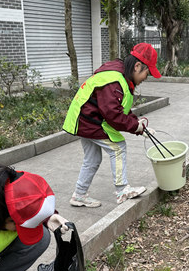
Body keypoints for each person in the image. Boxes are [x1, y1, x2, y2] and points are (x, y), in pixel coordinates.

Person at [62, 42, 162, 207]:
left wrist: (139, 127)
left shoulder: (121, 77)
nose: (146, 78)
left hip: (83, 120)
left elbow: (119, 109)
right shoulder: (114, 80)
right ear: (137, 66)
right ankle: (122, 190)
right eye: (147, 72)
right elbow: (113, 115)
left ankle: (79, 195)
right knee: (118, 146)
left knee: (92, 159)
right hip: (89, 121)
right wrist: (135, 126)